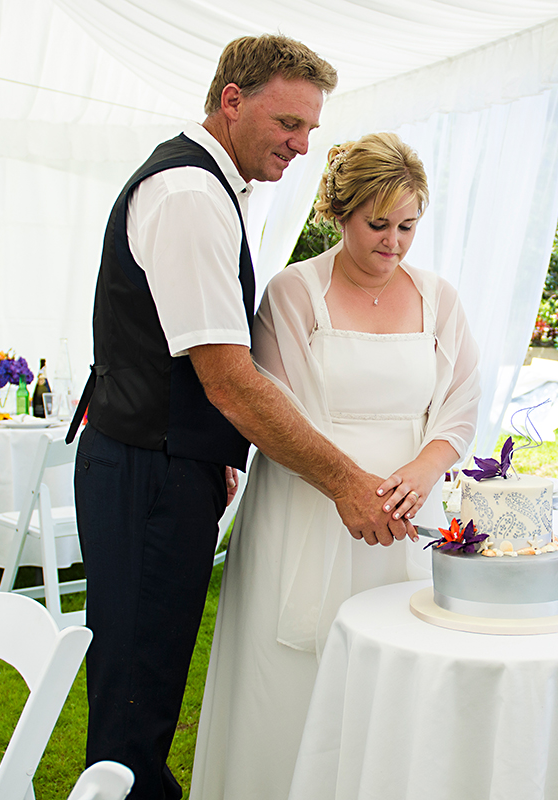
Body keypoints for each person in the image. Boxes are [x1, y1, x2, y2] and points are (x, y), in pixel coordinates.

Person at [71, 36, 417, 800]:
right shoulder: (191, 194)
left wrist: (212, 451)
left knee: (145, 689)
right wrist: (345, 482)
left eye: (310, 128)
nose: (303, 145)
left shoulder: (212, 187)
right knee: (133, 706)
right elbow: (228, 378)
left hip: (165, 464)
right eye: (289, 123)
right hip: (147, 475)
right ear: (232, 100)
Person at [190, 132, 481, 799]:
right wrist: (351, 486)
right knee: (293, 677)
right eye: (378, 225)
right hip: (307, 508)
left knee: (401, 677)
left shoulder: (440, 298)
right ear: (340, 213)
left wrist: (424, 469)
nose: (394, 242)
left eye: (408, 225)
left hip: (407, 517)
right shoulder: (293, 293)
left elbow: (461, 404)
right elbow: (279, 406)